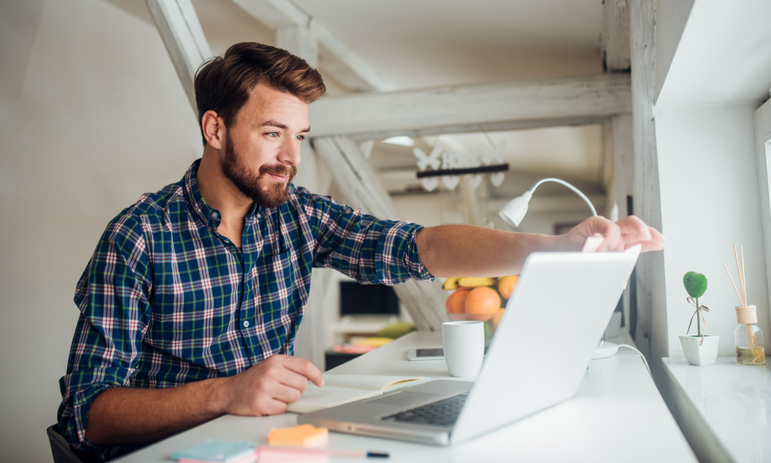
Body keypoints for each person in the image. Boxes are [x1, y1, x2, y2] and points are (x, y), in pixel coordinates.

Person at [58, 42, 664, 460]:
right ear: (216, 130)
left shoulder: (298, 217)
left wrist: (554, 248)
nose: (291, 157)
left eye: (299, 137)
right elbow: (90, 413)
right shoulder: (138, 236)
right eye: (272, 134)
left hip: (262, 446)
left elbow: (415, 246)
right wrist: (227, 391)